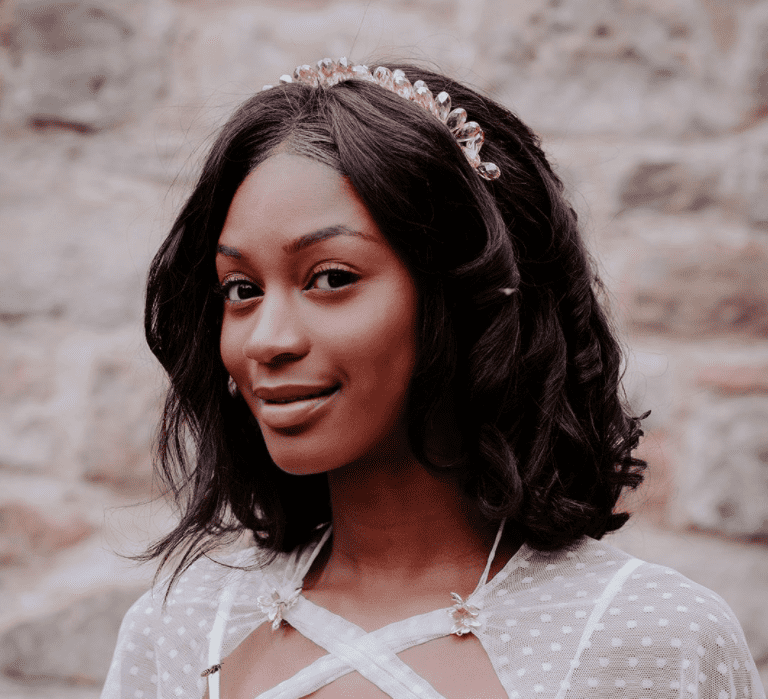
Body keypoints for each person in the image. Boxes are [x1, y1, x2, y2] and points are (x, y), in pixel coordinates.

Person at [101, 59, 765, 699]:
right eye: (241, 288)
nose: (267, 339)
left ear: (468, 292)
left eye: (331, 277)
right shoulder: (182, 628)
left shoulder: (649, 638)